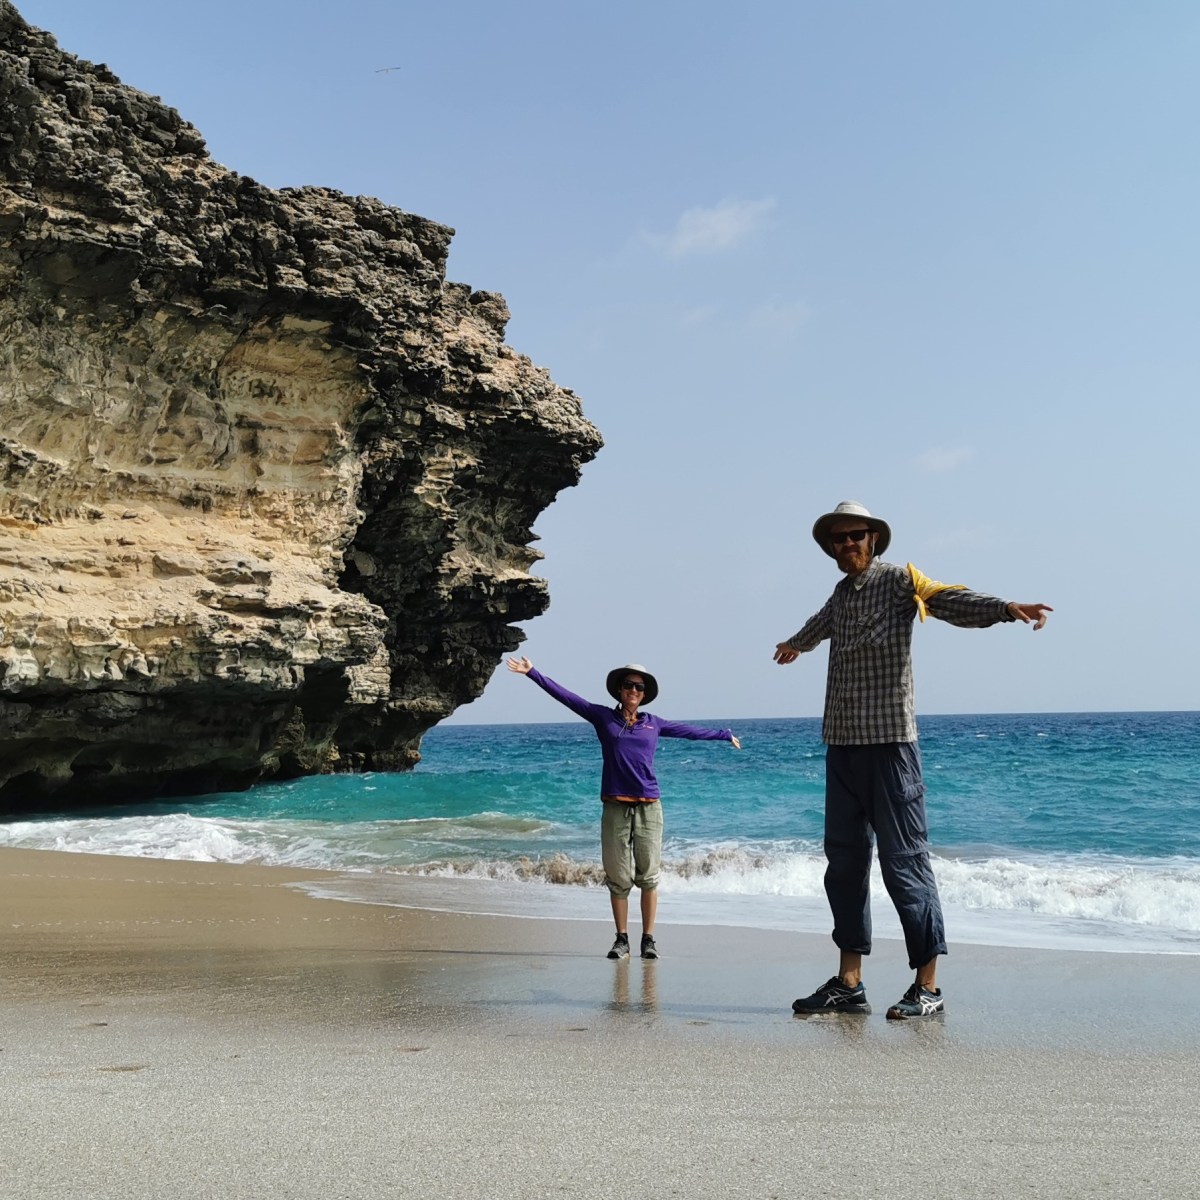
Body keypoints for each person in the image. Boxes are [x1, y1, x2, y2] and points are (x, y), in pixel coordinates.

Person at [774, 501, 1051, 1020]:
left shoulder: (900, 582)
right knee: (845, 865)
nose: (848, 544)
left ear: (873, 539)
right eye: (839, 539)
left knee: (905, 864)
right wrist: (794, 644)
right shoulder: (840, 594)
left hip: (891, 746)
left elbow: (948, 600)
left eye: (856, 535)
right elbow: (819, 625)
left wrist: (1004, 608)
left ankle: (928, 985)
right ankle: (849, 983)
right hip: (842, 746)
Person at [507, 657, 741, 960]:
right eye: (629, 685)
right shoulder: (603, 718)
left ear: (644, 694)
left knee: (649, 877)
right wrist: (532, 673)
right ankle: (621, 940)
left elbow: (689, 731)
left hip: (649, 808)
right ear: (619, 690)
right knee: (618, 878)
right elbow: (566, 697)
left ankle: (648, 940)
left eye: (639, 687)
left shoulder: (653, 723)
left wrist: (723, 735)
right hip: (615, 808)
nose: (633, 690)